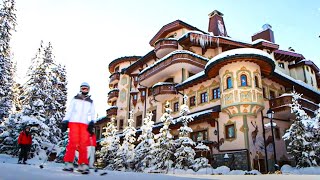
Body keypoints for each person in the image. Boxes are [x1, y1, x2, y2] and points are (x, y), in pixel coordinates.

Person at [61, 82, 95, 173]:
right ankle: (69, 162)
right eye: (83, 88)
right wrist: (65, 121)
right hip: (74, 122)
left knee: (84, 144)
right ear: (80, 89)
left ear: (88, 90)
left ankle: (83, 164)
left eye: (86, 89)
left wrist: (92, 122)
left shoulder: (90, 101)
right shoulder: (75, 99)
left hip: (84, 123)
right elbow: (70, 111)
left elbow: (92, 113)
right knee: (73, 142)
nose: (84, 90)